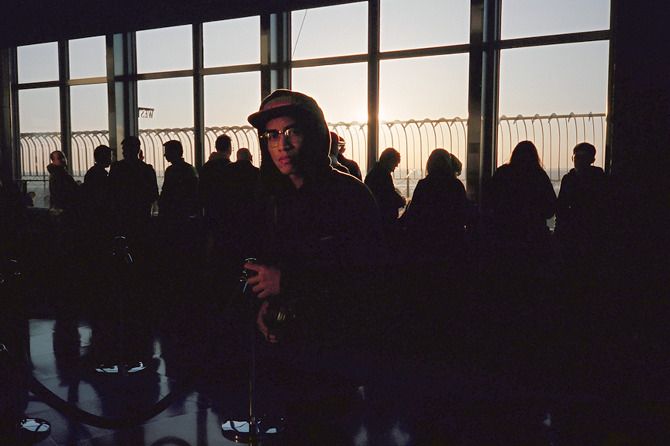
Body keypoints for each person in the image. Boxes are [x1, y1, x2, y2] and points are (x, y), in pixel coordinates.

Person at [244, 89, 385, 348]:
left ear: (314, 135)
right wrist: (264, 307)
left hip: (337, 347)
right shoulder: (270, 199)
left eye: (292, 131)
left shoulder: (350, 195)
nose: (282, 145)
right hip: (283, 347)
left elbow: (370, 279)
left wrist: (287, 282)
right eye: (273, 135)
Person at [401, 148, 468, 263]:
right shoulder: (456, 185)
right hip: (452, 241)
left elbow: (414, 214)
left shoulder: (423, 185)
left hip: (427, 241)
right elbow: (463, 213)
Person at [108, 136, 159, 239]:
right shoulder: (147, 170)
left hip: (121, 215)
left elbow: (111, 191)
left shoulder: (116, 168)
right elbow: (153, 194)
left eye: (124, 149)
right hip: (141, 215)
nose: (123, 152)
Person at [364, 147, 406, 234]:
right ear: (389, 161)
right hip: (384, 221)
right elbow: (389, 197)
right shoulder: (383, 175)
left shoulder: (374, 172)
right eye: (395, 163)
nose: (396, 167)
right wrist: (402, 201)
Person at [158, 140, 198, 221]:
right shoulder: (189, 170)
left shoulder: (170, 170)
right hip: (184, 212)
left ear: (174, 152)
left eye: (167, 151)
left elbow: (165, 191)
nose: (165, 155)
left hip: (173, 212)